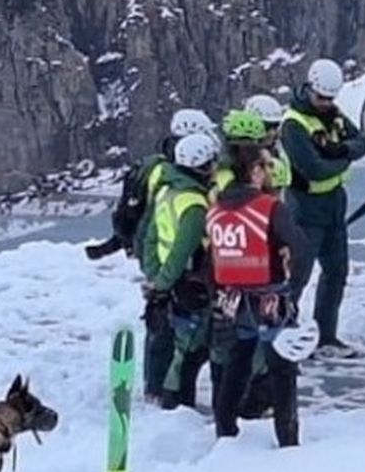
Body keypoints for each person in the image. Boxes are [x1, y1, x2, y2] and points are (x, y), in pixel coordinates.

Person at [205, 139, 311, 445]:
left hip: (233, 299)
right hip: (270, 297)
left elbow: (211, 258)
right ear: (253, 170)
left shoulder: (216, 210)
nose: (269, 171)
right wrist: (293, 287)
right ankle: (288, 439)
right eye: (265, 165)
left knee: (236, 365)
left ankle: (225, 431)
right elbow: (301, 247)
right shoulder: (268, 207)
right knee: (282, 369)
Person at [278, 58, 365, 356]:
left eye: (331, 98)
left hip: (333, 206)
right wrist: (343, 160)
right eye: (322, 98)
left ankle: (326, 336)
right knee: (297, 277)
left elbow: (360, 143)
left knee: (336, 272)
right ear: (310, 89)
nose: (326, 103)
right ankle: (283, 335)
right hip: (305, 209)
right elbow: (314, 169)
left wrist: (339, 150)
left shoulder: (334, 114)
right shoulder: (294, 125)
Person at [143, 132, 219, 410]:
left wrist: (155, 277)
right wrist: (164, 284)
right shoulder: (195, 205)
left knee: (168, 339)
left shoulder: (167, 191)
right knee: (188, 347)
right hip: (187, 281)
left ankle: (159, 390)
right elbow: (182, 251)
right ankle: (176, 400)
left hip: (167, 279)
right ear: (204, 166)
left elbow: (151, 237)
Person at [101, 108, 213, 262]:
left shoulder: (161, 166)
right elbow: (151, 218)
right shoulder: (170, 174)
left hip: (162, 252)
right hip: (171, 257)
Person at [243, 94, 292, 191]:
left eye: (275, 126)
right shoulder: (240, 157)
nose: (272, 132)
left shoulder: (282, 149)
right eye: (267, 126)